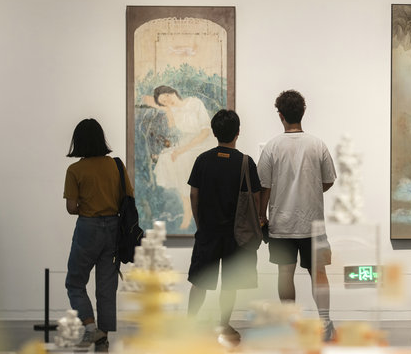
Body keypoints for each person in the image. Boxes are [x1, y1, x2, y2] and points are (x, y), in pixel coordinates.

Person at [257, 89, 337, 341]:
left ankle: (291, 325)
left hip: (281, 223)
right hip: (313, 223)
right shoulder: (317, 144)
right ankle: (324, 323)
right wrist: (311, 189)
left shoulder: (271, 147)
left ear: (280, 115)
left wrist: (261, 216)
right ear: (303, 112)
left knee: (285, 273)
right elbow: (328, 180)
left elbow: (264, 187)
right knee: (319, 273)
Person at [187, 109, 261, 343]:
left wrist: (200, 223)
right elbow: (256, 198)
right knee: (230, 285)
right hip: (236, 234)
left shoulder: (203, 160)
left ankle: (189, 324)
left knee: (199, 281)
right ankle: (223, 324)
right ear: (238, 132)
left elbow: (194, 195)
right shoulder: (246, 162)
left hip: (208, 231)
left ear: (214, 132)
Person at [63, 119, 134, 350]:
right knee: (106, 286)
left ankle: (90, 328)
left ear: (78, 142)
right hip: (114, 229)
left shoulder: (75, 170)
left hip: (88, 229)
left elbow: (71, 207)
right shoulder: (115, 165)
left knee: (75, 282)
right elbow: (128, 197)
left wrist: (88, 207)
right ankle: (103, 337)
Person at [142, 85, 217, 230]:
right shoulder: (172, 112)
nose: (167, 101)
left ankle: (198, 211)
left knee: (183, 159)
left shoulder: (194, 103)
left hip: (203, 142)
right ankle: (188, 210)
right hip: (187, 143)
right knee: (167, 158)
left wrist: (182, 150)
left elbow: (205, 132)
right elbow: (147, 100)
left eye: (166, 97)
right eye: (164, 102)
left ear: (171, 92)